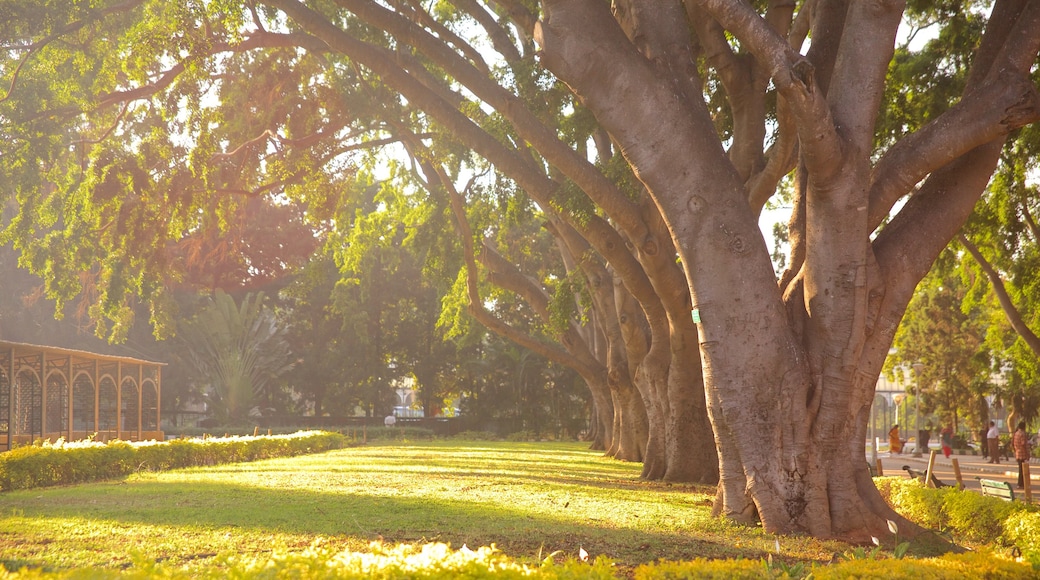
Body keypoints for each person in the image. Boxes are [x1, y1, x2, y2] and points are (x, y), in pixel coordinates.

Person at [1014, 421, 1031, 489]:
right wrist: (1027, 452)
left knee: (1020, 469)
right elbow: (1023, 443)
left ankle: (1020, 483)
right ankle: (1021, 483)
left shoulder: (1016, 433)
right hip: (1023, 453)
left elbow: (1013, 443)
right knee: (1023, 470)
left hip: (1018, 453)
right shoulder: (1022, 434)